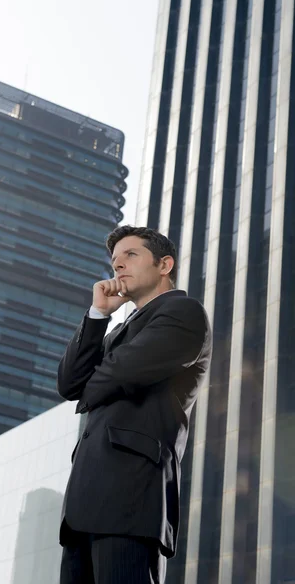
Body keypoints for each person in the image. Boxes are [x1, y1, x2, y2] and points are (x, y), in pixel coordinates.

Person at [57, 225, 212, 584]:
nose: (118, 267)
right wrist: (99, 314)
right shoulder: (114, 334)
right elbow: (69, 384)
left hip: (132, 499)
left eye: (130, 255)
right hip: (83, 504)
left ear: (164, 264)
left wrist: (91, 383)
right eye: (114, 261)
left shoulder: (183, 314)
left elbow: (119, 374)